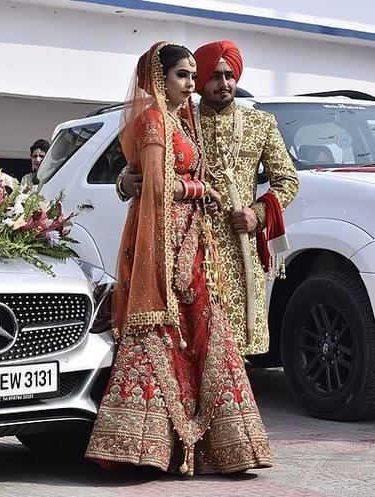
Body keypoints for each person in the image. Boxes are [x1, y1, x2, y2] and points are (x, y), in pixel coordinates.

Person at [85, 41, 273, 475]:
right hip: (166, 243)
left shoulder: (185, 118)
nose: (194, 84)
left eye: (195, 75)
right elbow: (153, 183)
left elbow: (157, 171)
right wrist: (199, 191)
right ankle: (142, 447)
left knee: (203, 333)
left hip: (196, 241)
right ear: (159, 78)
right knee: (166, 334)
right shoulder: (155, 119)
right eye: (184, 75)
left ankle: (221, 447)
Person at [118, 40, 299, 356]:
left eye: (229, 75)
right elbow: (140, 169)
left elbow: (287, 181)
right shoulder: (178, 117)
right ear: (199, 79)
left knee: (235, 344)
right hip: (185, 244)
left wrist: (258, 213)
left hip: (238, 245)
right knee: (191, 342)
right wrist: (125, 181)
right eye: (214, 76)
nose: (224, 83)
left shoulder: (260, 123)